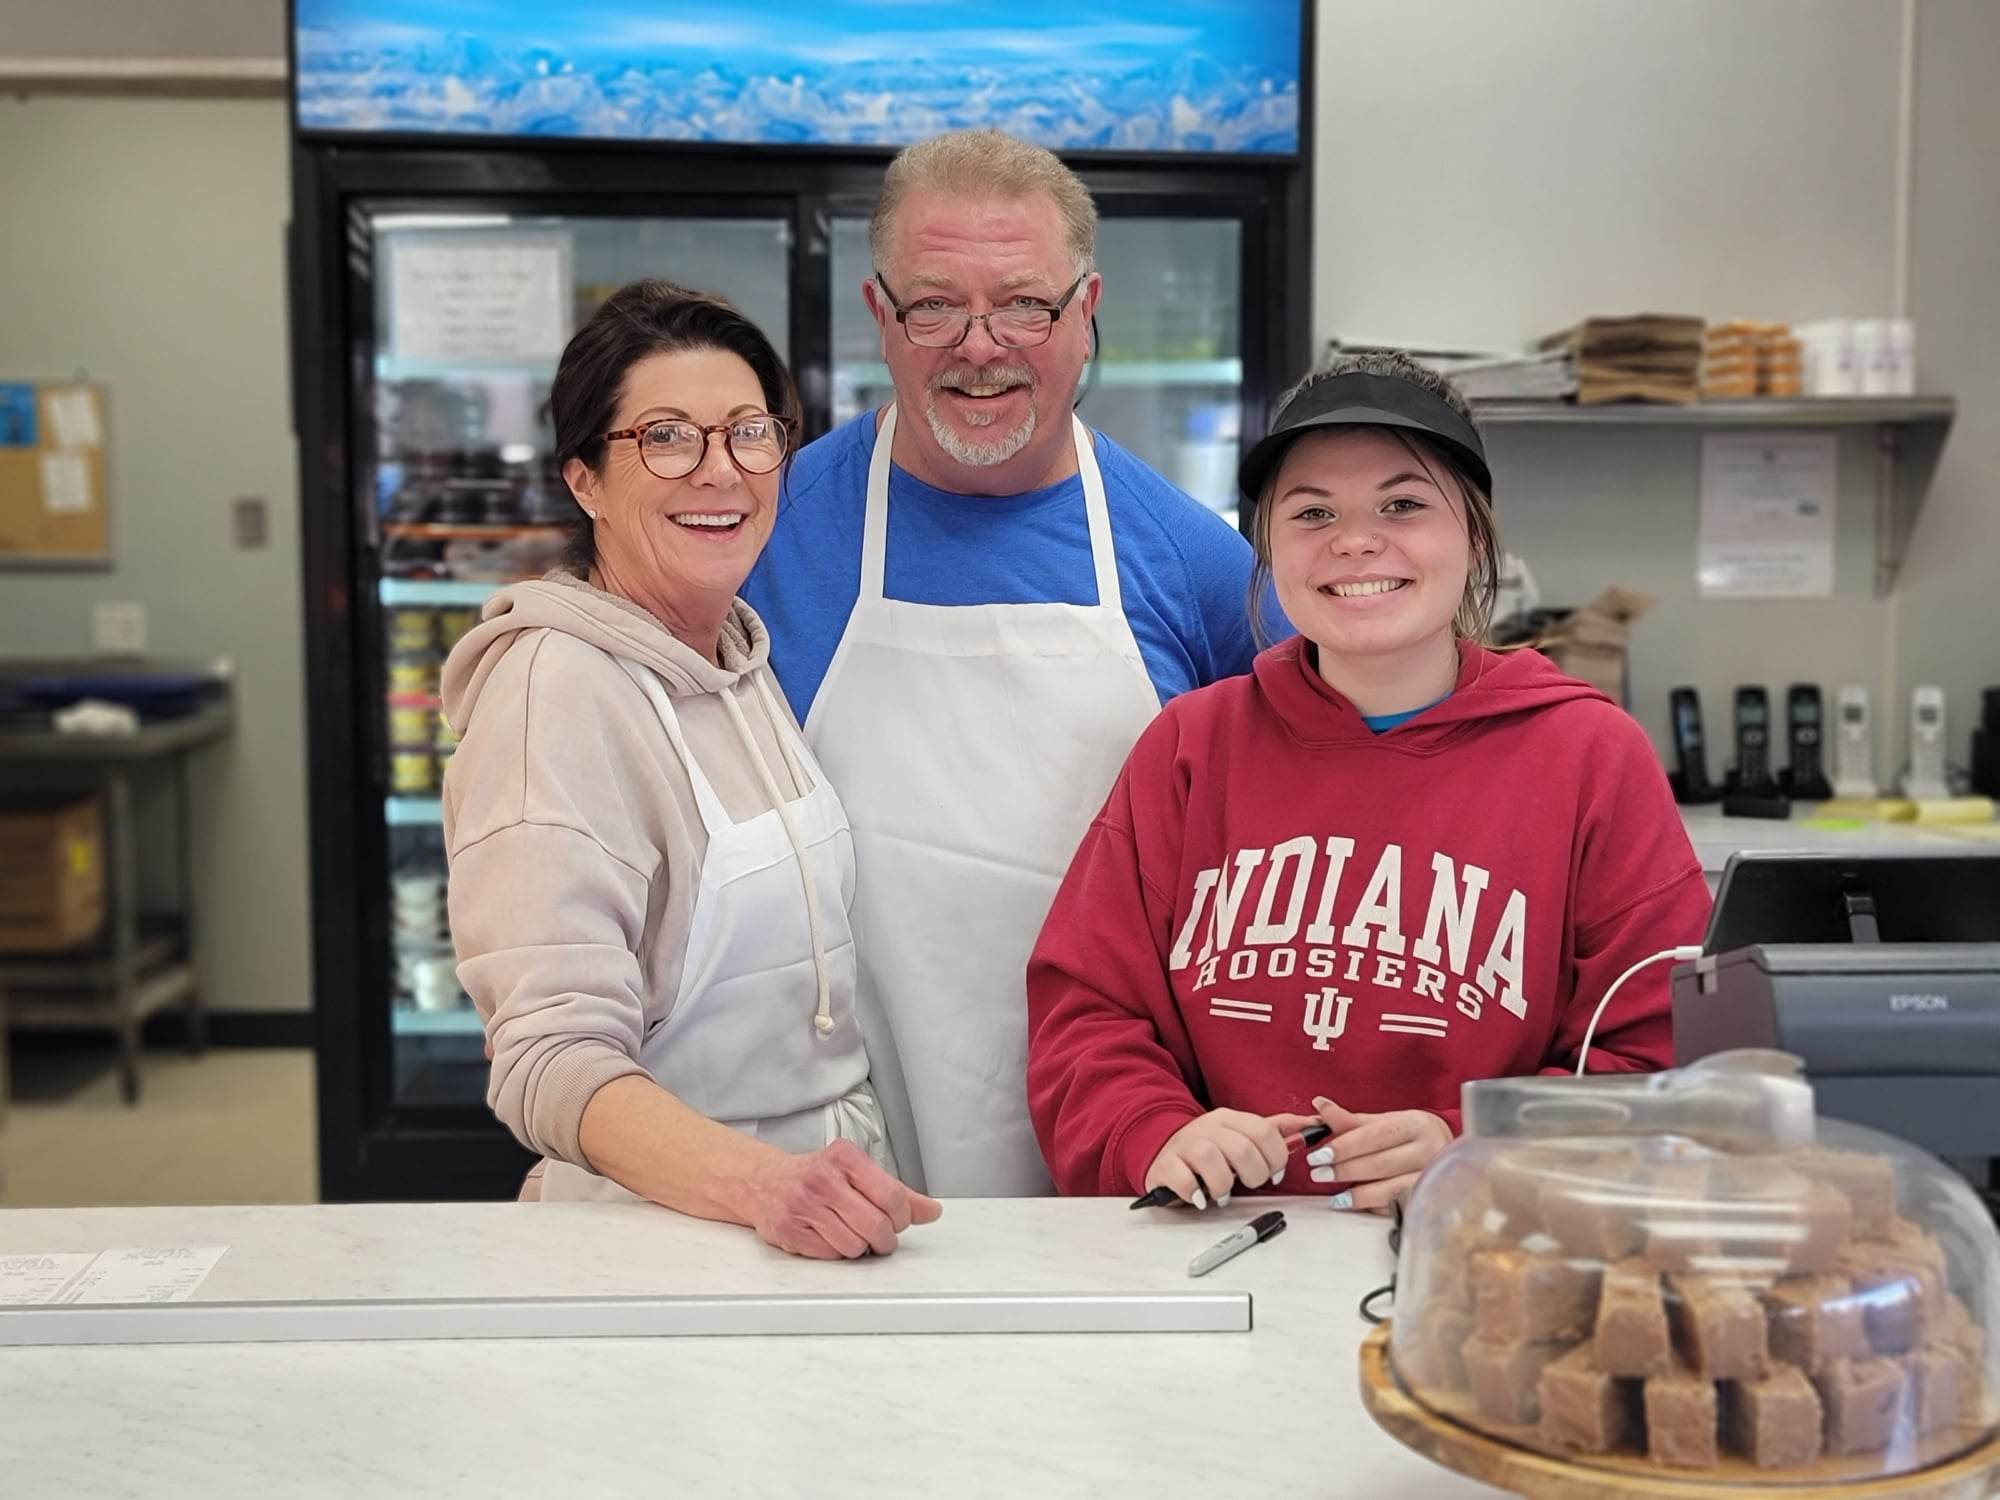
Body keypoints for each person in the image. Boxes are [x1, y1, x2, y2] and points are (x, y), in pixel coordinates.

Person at [1025, 351, 1710, 1211]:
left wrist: (1481, 1152)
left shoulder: (1590, 757)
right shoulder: (1191, 748)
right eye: (1313, 511)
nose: (1355, 539)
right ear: (1270, 548)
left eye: (1403, 503)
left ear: (1475, 531)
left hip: (1486, 1259)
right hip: (1223, 1246)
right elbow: (1085, 1014)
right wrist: (1154, 1129)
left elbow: (1657, 1062)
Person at [742, 128, 1264, 1197]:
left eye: (1025, 303)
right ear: (879, 316)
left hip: (1120, 1140)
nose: (979, 346)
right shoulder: (765, 535)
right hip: (833, 1149)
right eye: (934, 305)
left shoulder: (1200, 566)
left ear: (1085, 309)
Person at [442, 280, 940, 1259]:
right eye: (665, 437)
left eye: (747, 432)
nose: (719, 472)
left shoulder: (735, 662)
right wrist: (761, 1186)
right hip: (661, 1236)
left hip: (814, 1210)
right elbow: (547, 1056)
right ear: (584, 477)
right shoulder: (558, 692)